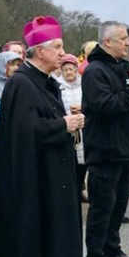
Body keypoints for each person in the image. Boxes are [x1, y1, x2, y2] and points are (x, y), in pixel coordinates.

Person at [0, 16, 86, 257]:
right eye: (57, 46)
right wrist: (62, 125)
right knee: (32, 234)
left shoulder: (45, 83)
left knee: (52, 234)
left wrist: (68, 123)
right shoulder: (21, 84)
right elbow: (22, 133)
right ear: (39, 50)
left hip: (50, 177)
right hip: (31, 181)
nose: (62, 52)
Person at [82, 21, 129, 257]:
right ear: (107, 42)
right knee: (102, 207)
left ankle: (112, 249)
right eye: (122, 39)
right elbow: (103, 105)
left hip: (125, 149)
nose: (127, 43)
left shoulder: (123, 68)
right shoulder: (94, 71)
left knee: (119, 205)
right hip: (105, 150)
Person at [56, 53, 88, 202]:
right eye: (66, 69)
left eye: (72, 69)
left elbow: (89, 103)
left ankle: (80, 187)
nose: (69, 72)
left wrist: (82, 109)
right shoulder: (57, 85)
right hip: (66, 127)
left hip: (82, 126)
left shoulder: (84, 84)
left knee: (82, 162)